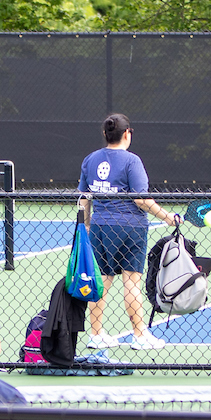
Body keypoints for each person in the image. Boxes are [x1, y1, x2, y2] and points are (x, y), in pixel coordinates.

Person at [77, 112, 182, 351]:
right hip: (130, 228)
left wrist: (85, 226)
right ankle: (140, 335)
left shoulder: (90, 159)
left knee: (101, 281)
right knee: (131, 282)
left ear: (105, 134)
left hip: (100, 227)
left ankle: (96, 334)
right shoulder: (132, 161)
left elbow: (84, 197)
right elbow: (141, 199)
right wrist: (168, 217)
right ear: (127, 134)